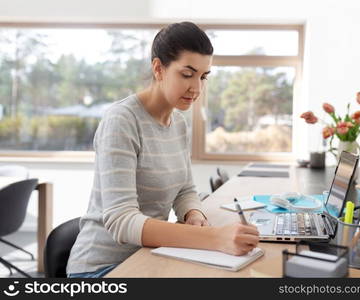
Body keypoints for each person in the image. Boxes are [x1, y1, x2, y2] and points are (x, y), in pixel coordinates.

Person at [66, 22, 259, 278]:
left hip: (150, 254)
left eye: (203, 76)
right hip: (101, 270)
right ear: (158, 68)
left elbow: (185, 190)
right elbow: (121, 221)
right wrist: (213, 237)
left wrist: (193, 213)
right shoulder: (122, 121)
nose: (197, 88)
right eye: (187, 74)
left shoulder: (178, 122)